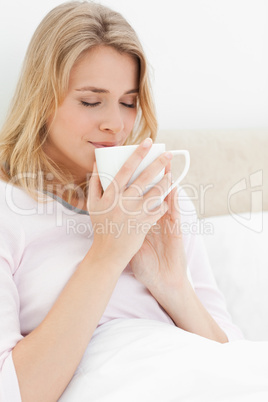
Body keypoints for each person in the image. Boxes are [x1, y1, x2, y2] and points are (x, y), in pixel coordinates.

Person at [0, 1, 243, 401]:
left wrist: (172, 285)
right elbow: (14, 392)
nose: (117, 123)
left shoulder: (161, 200)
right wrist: (107, 255)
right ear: (41, 100)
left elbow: (230, 356)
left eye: (129, 102)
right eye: (91, 101)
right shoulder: (11, 209)